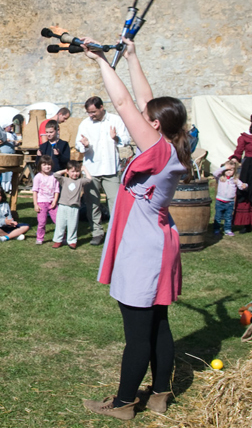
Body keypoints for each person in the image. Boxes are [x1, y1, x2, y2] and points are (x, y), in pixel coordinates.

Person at [76, 37, 190, 420]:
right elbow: (144, 101)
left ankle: (125, 403)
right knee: (158, 323)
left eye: (148, 117)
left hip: (143, 248)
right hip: (155, 241)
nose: (142, 116)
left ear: (154, 125)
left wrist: (102, 62)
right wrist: (134, 56)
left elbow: (125, 105)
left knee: (138, 331)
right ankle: (159, 393)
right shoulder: (168, 144)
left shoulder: (157, 150)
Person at [75, 97, 131, 246]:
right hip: (91, 170)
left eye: (93, 112)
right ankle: (97, 232)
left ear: (101, 108)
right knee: (92, 203)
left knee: (115, 203)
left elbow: (126, 139)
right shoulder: (85, 124)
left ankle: (116, 233)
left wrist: (116, 138)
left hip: (111, 169)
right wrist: (85, 146)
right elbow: (78, 145)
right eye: (89, 112)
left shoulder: (115, 120)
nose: (91, 115)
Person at [52, 161, 92, 249]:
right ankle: (58, 240)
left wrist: (84, 169)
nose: (75, 174)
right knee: (60, 224)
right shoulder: (64, 180)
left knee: (72, 225)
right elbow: (55, 174)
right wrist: (65, 170)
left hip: (74, 207)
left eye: (77, 171)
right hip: (63, 206)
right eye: (72, 171)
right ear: (68, 172)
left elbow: (89, 179)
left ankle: (72, 241)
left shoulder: (80, 181)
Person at [32, 155, 61, 245]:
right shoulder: (38, 177)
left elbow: (57, 190)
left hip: (52, 202)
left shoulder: (54, 176)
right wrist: (36, 205)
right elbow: (35, 191)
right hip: (41, 202)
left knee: (59, 221)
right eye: (44, 164)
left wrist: (55, 201)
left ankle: (61, 237)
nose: (47, 166)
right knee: (42, 222)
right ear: (40, 165)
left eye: (49, 164)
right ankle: (40, 238)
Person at [213, 161, 247, 238]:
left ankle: (227, 230)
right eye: (227, 170)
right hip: (220, 201)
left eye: (231, 170)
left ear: (234, 171)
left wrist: (245, 186)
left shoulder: (235, 180)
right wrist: (225, 167)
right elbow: (214, 173)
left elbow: (241, 186)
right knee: (218, 217)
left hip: (230, 202)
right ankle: (216, 229)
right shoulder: (220, 178)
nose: (228, 172)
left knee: (228, 217)